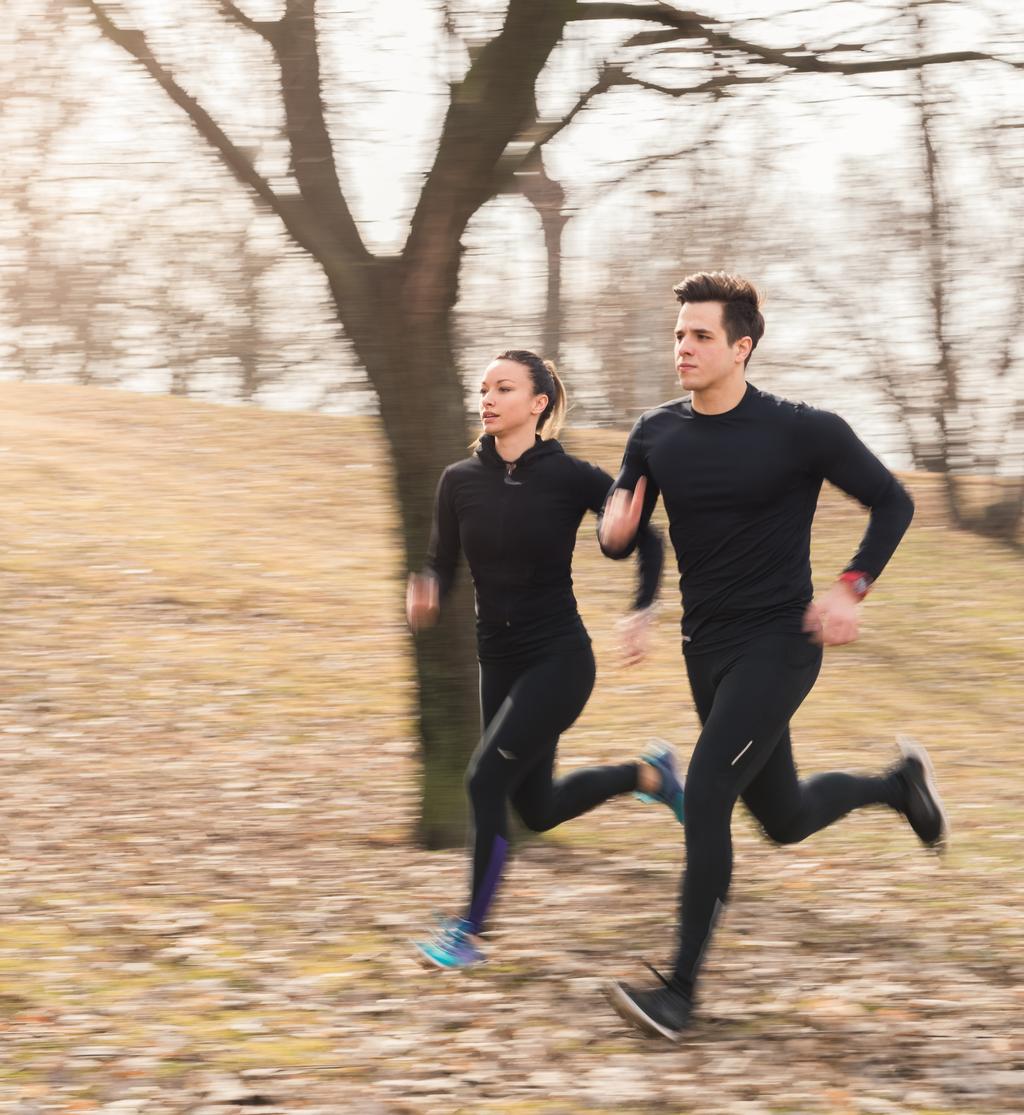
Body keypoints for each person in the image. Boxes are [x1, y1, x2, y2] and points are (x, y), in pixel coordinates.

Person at [598, 272, 947, 1041]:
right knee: (782, 816)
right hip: (707, 650)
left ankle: (678, 993)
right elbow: (620, 526)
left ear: (742, 347)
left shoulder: (803, 429)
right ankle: (899, 786)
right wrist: (614, 534)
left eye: (701, 336)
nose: (684, 347)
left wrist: (850, 588)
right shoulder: (656, 432)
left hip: (780, 644)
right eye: (679, 334)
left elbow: (894, 501)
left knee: (711, 788)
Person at [407, 349, 679, 970]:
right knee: (537, 807)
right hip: (496, 659)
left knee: (483, 780)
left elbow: (645, 539)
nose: (489, 397)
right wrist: (425, 586)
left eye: (504, 387)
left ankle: (469, 934)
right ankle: (651, 775)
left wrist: (641, 610)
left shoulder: (571, 477)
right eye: (484, 388)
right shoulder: (459, 481)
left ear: (538, 404)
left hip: (558, 659)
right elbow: (441, 563)